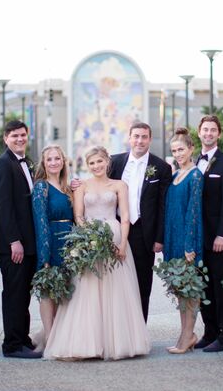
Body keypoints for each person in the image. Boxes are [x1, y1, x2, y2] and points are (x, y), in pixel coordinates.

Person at [45, 146, 151, 360]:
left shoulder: (120, 185)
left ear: (107, 162)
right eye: (92, 163)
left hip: (114, 236)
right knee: (89, 290)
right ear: (88, 165)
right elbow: (79, 216)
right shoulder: (81, 186)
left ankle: (116, 342)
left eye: (99, 161)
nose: (96, 166)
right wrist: (89, 239)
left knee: (116, 290)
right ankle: (88, 342)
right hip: (89, 240)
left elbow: (126, 216)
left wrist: (121, 245)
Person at [109, 122, 172, 322]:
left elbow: (163, 206)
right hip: (118, 230)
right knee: (117, 282)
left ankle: (139, 331)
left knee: (143, 284)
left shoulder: (161, 167)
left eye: (144, 137)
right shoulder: (114, 163)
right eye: (136, 136)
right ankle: (118, 330)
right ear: (129, 138)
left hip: (145, 232)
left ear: (150, 140)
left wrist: (159, 238)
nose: (140, 141)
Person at [0, 120, 40, 358]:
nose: (20, 139)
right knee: (14, 294)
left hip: (28, 243)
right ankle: (12, 345)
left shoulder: (25, 163)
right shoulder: (2, 165)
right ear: (5, 138)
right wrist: (14, 241)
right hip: (14, 245)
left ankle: (23, 338)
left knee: (23, 294)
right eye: (14, 136)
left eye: (22, 135)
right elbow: (3, 206)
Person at [193, 115, 223, 352]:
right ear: (199, 133)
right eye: (205, 129)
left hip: (219, 239)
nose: (208, 133)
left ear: (219, 134)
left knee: (221, 289)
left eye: (213, 130)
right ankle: (210, 331)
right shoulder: (194, 162)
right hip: (199, 239)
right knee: (203, 287)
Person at [162, 128, 203, 354]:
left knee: (190, 290)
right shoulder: (175, 175)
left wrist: (190, 246)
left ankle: (189, 335)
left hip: (187, 240)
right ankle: (184, 333)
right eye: (174, 150)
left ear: (191, 149)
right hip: (172, 239)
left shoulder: (195, 176)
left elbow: (193, 212)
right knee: (180, 289)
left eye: (181, 149)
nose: (178, 154)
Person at [32, 144, 75, 349]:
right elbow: (40, 223)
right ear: (44, 163)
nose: (54, 162)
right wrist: (44, 258)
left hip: (69, 244)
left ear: (63, 161)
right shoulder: (42, 187)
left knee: (63, 290)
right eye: (49, 159)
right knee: (48, 291)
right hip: (51, 241)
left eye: (57, 158)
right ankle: (50, 336)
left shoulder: (67, 188)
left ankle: (59, 333)